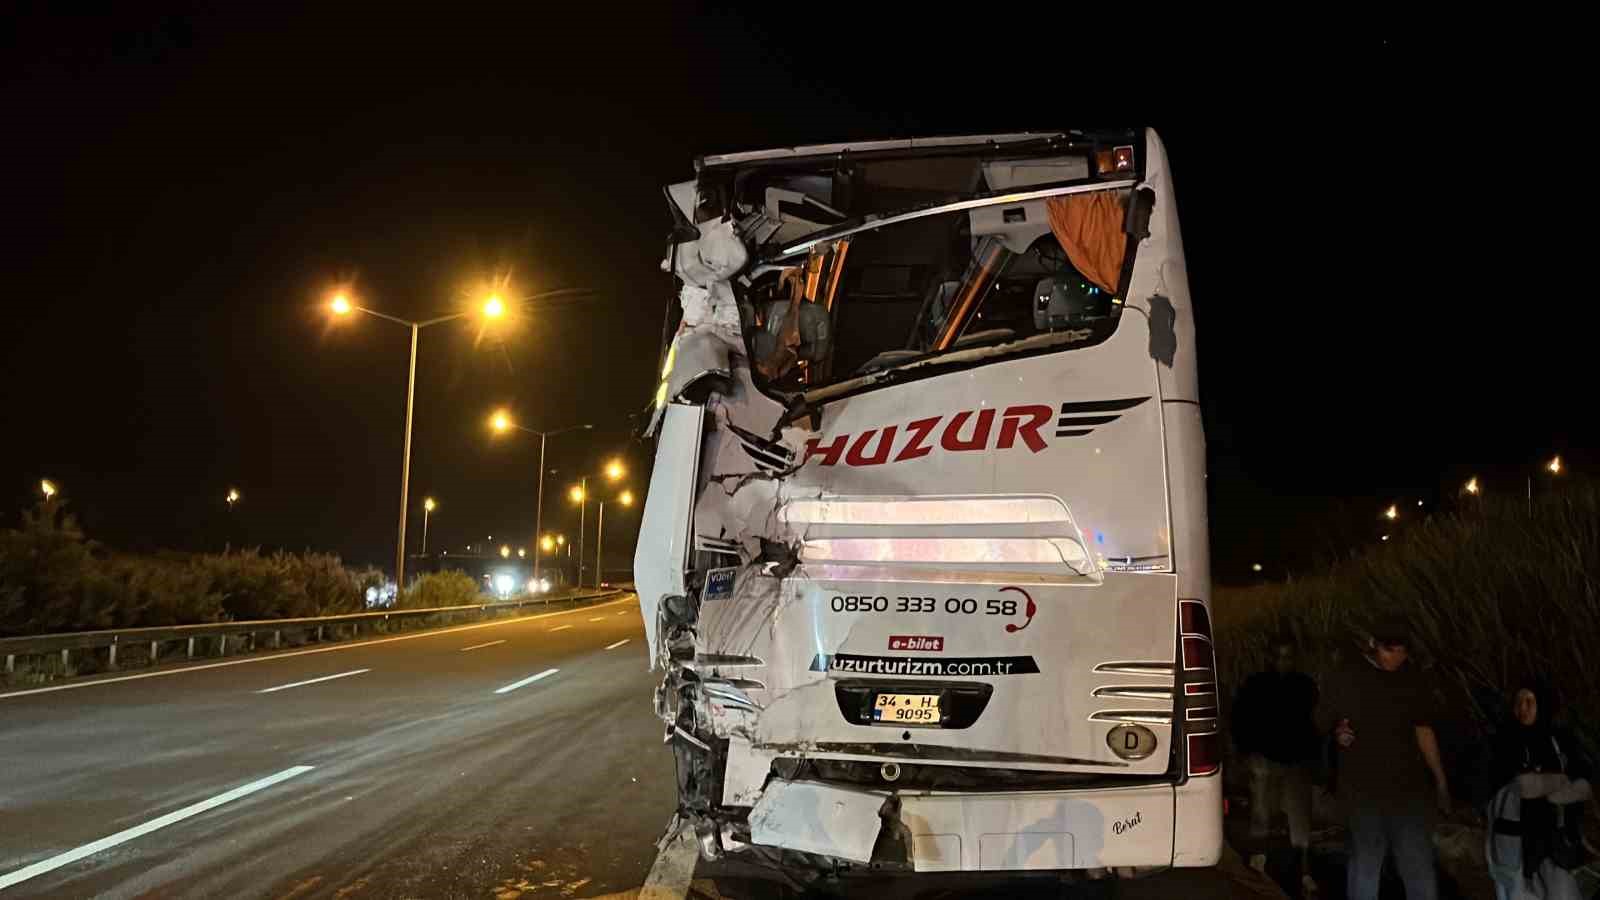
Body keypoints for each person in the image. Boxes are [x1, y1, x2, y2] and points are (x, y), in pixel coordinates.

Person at [1316, 616, 1452, 900]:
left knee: (1417, 863)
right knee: (1366, 863)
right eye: (1391, 651)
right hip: (1363, 788)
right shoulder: (1347, 676)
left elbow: (1423, 729)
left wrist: (1439, 779)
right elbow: (1322, 721)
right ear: (1372, 645)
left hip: (1408, 788)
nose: (1397, 658)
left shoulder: (1412, 678)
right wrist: (1338, 732)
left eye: (1403, 651)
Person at [1485, 680, 1593, 900]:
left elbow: (1584, 782)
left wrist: (1560, 789)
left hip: (1557, 841)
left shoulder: (1559, 739)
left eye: (1529, 701)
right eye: (1519, 702)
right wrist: (1559, 782)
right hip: (1519, 845)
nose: (1523, 708)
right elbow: (1520, 786)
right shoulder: (1506, 740)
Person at [1232, 634, 1321, 894]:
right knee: (1261, 814)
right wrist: (1248, 754)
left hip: (1297, 761)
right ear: (1270, 657)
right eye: (1278, 656)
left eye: (1288, 656)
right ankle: (1258, 867)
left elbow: (1314, 724)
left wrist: (1316, 762)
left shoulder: (1304, 685)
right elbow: (1241, 720)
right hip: (1265, 761)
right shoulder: (1256, 684)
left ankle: (1305, 874)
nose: (1283, 661)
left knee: (1300, 819)